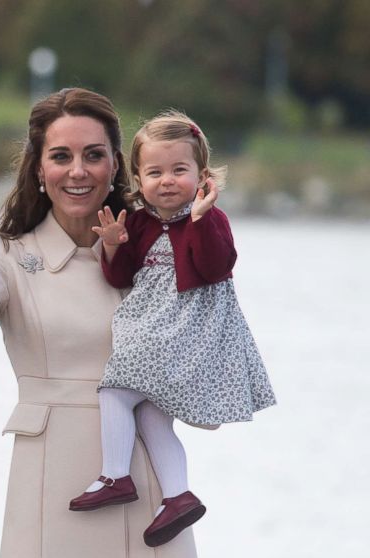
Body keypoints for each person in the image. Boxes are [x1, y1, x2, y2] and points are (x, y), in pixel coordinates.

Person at [0, 88, 197, 556]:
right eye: (61, 156)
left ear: (116, 165)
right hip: (52, 489)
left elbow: (199, 356)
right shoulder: (9, 254)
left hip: (151, 492)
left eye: (93, 155)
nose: (78, 171)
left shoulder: (160, 251)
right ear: (39, 168)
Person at [70, 110, 276, 546]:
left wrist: (200, 220)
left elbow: (216, 266)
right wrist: (112, 246)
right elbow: (120, 277)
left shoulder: (210, 218)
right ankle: (178, 496)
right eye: (155, 172)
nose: (167, 180)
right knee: (149, 413)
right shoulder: (140, 222)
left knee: (114, 389)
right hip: (154, 327)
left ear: (201, 175)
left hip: (185, 331)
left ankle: (115, 476)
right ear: (139, 178)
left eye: (179, 170)